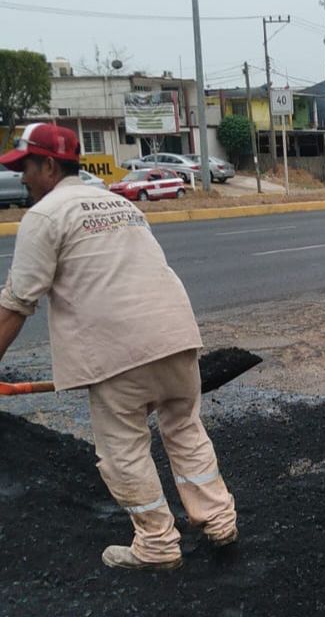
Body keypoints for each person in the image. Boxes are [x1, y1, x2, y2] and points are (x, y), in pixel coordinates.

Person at [0, 124, 236, 570]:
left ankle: (157, 545)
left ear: (49, 165)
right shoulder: (118, 202)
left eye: (26, 168)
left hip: (117, 350)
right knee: (184, 428)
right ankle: (219, 521)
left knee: (123, 449)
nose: (22, 180)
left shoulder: (45, 216)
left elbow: (17, 303)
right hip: (176, 333)